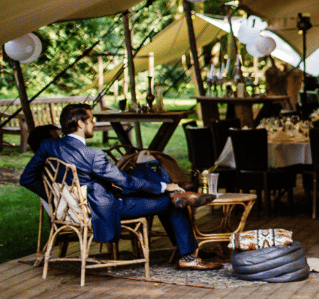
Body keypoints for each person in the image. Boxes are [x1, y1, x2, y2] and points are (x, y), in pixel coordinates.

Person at [20, 104, 220, 270]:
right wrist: (164, 187)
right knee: (170, 201)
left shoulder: (48, 146)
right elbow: (125, 181)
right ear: (80, 123)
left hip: (81, 205)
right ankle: (188, 255)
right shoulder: (93, 155)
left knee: (147, 174)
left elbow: (27, 178)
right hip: (103, 208)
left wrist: (57, 199)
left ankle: (181, 220)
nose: (94, 124)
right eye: (91, 120)